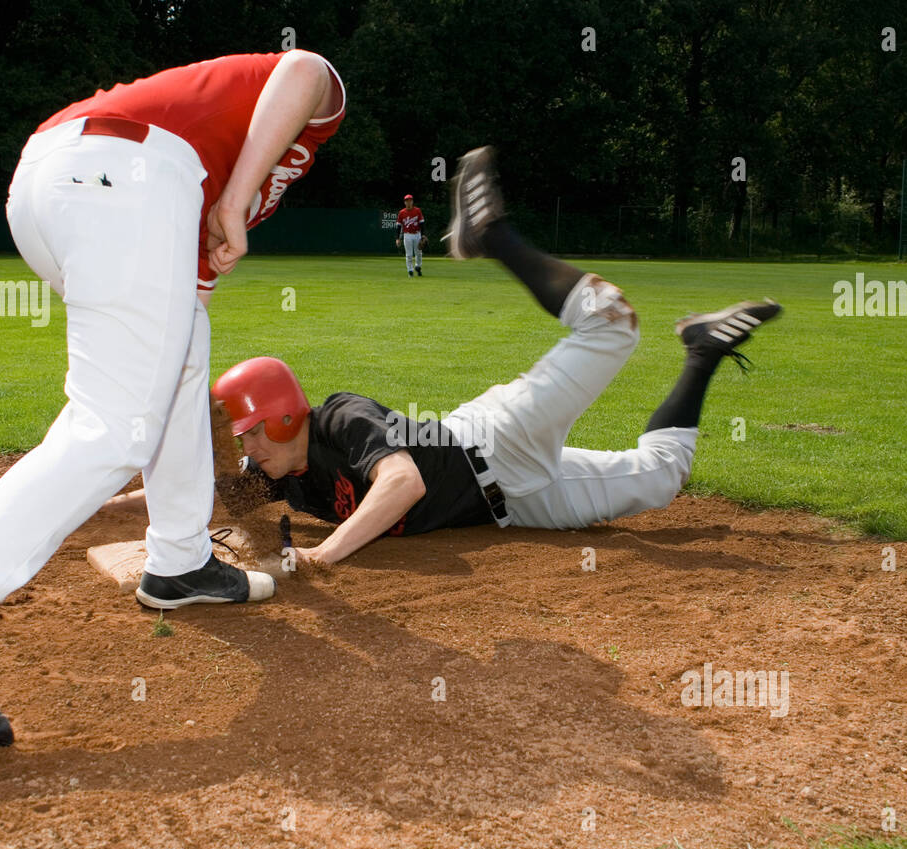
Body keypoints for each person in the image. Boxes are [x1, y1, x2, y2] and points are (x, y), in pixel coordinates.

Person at [0, 51, 347, 746]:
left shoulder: (214, 168)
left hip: (69, 181)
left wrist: (226, 201)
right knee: (117, 421)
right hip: (124, 172)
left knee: (181, 356)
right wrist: (237, 196)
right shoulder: (293, 119)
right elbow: (306, 69)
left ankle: (179, 563)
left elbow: (189, 299)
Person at [208, 147, 781, 566]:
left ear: (285, 417)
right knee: (662, 480)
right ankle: (702, 351)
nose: (247, 448)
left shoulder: (339, 417)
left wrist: (324, 555)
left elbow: (402, 483)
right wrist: (119, 498)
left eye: (252, 432)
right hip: (513, 506)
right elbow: (206, 496)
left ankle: (492, 236)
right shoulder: (284, 474)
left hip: (496, 440)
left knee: (612, 325)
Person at [395, 194, 426, 275]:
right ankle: (410, 271)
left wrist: (423, 235)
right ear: (405, 202)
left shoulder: (417, 211)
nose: (409, 202)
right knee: (409, 254)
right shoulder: (401, 212)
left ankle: (418, 266)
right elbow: (398, 226)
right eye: (407, 201)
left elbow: (422, 223)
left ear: (412, 202)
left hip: (417, 234)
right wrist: (397, 238)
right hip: (407, 235)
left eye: (410, 200)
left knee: (418, 253)